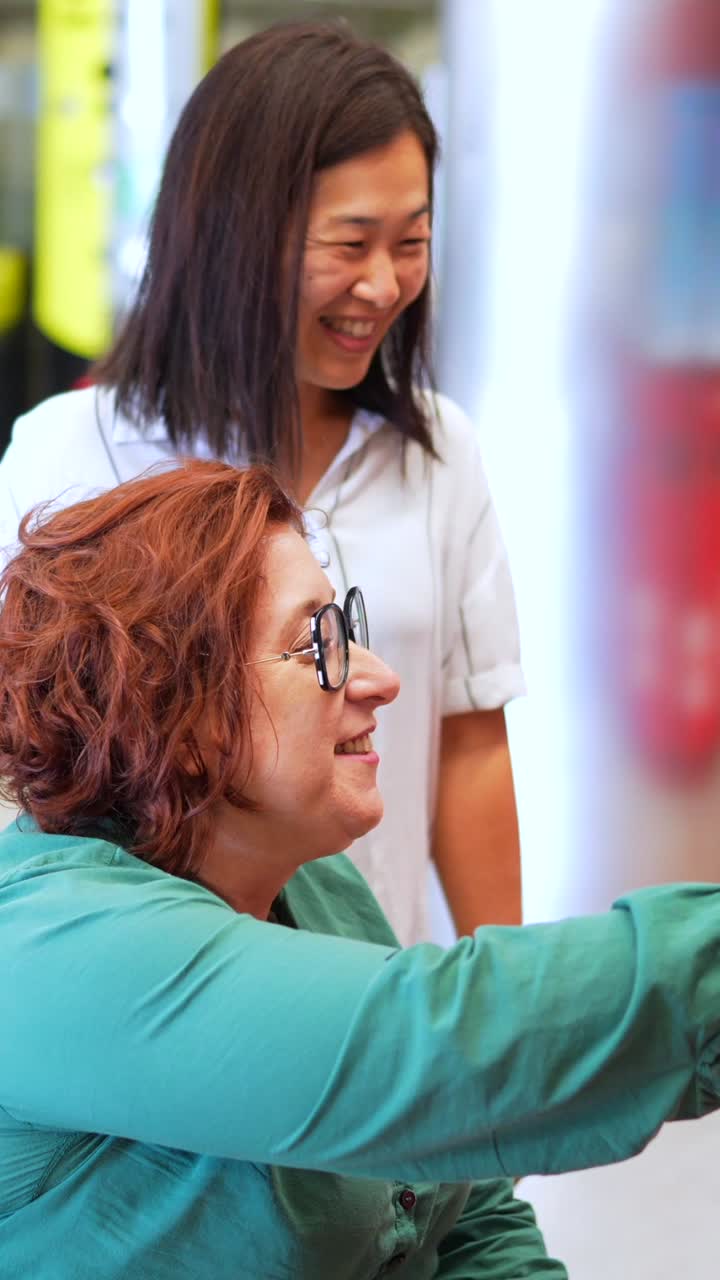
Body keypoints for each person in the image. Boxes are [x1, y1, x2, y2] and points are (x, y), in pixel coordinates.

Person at [1, 459, 720, 1280]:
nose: (381, 677)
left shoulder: (312, 883)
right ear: (178, 713)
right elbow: (433, 1050)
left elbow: (462, 1202)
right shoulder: (46, 947)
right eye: (318, 645)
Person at [0, 19, 524, 946]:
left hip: (364, 1001)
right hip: (148, 998)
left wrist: (512, 1005)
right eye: (349, 242)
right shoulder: (68, 457)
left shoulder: (438, 452)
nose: (384, 284)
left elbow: (469, 749)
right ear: (235, 234)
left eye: (412, 241)